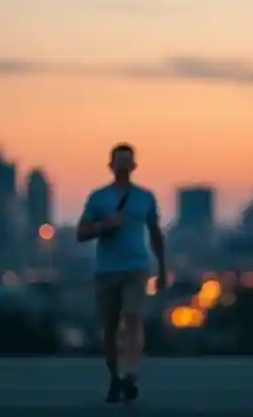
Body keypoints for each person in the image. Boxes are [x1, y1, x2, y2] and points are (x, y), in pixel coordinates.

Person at [76, 142, 167, 403]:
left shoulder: (145, 198)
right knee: (110, 328)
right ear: (111, 165)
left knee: (133, 317)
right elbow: (81, 233)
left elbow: (155, 234)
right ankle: (115, 376)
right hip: (107, 271)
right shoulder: (98, 198)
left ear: (135, 166)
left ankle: (131, 373)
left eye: (128, 161)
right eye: (120, 161)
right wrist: (104, 226)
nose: (124, 165)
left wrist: (161, 269)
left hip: (136, 268)